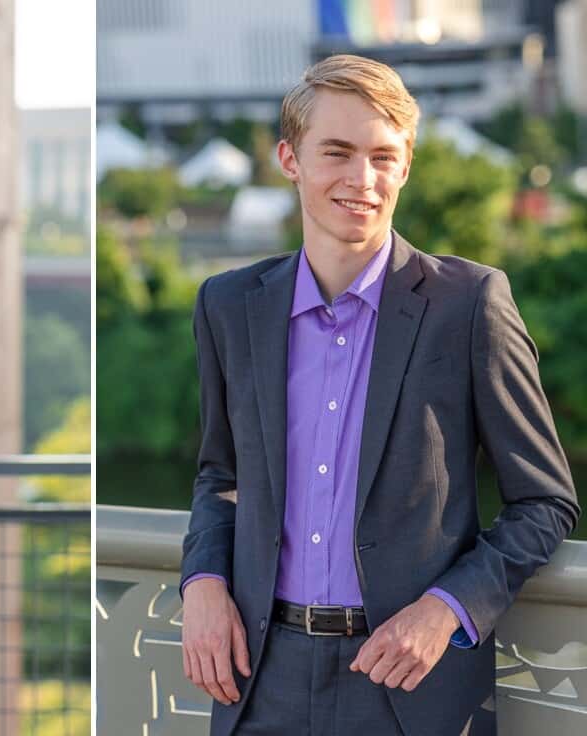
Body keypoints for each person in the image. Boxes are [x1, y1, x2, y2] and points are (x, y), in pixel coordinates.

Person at [178, 54, 578, 735]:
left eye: (383, 157)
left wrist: (448, 608)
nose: (362, 180)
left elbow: (545, 501)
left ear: (406, 166)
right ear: (289, 158)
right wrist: (204, 583)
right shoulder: (228, 305)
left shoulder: (471, 303)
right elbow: (221, 476)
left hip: (408, 687)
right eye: (336, 152)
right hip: (257, 680)